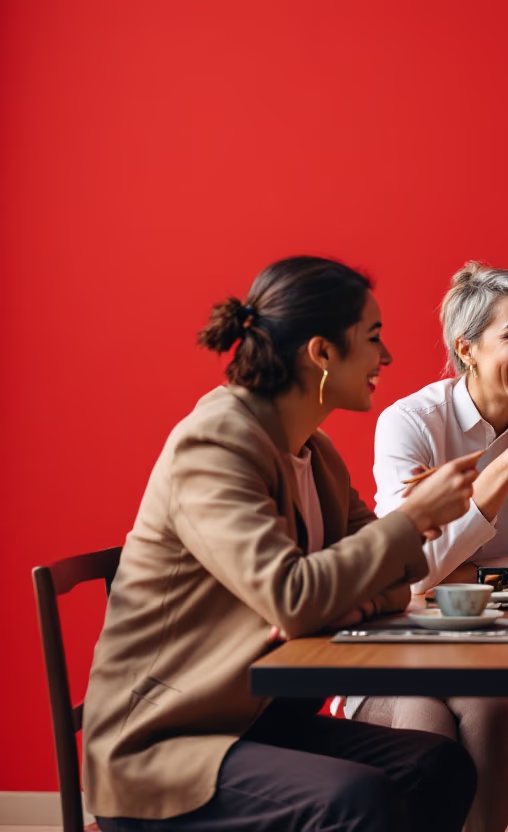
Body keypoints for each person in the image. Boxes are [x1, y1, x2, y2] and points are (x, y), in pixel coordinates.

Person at [82, 256, 481, 832]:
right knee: (358, 800)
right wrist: (415, 516)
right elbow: (296, 598)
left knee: (438, 765)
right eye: (373, 339)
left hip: (259, 722)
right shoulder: (215, 444)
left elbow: (397, 579)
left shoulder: (316, 454)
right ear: (321, 353)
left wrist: (348, 596)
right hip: (166, 744)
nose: (386, 358)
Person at [349, 261, 508, 832]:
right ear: (467, 349)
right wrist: (503, 472)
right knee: (423, 721)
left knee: (483, 706)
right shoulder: (409, 423)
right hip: (396, 658)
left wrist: (471, 577)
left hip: (497, 656)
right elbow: (404, 577)